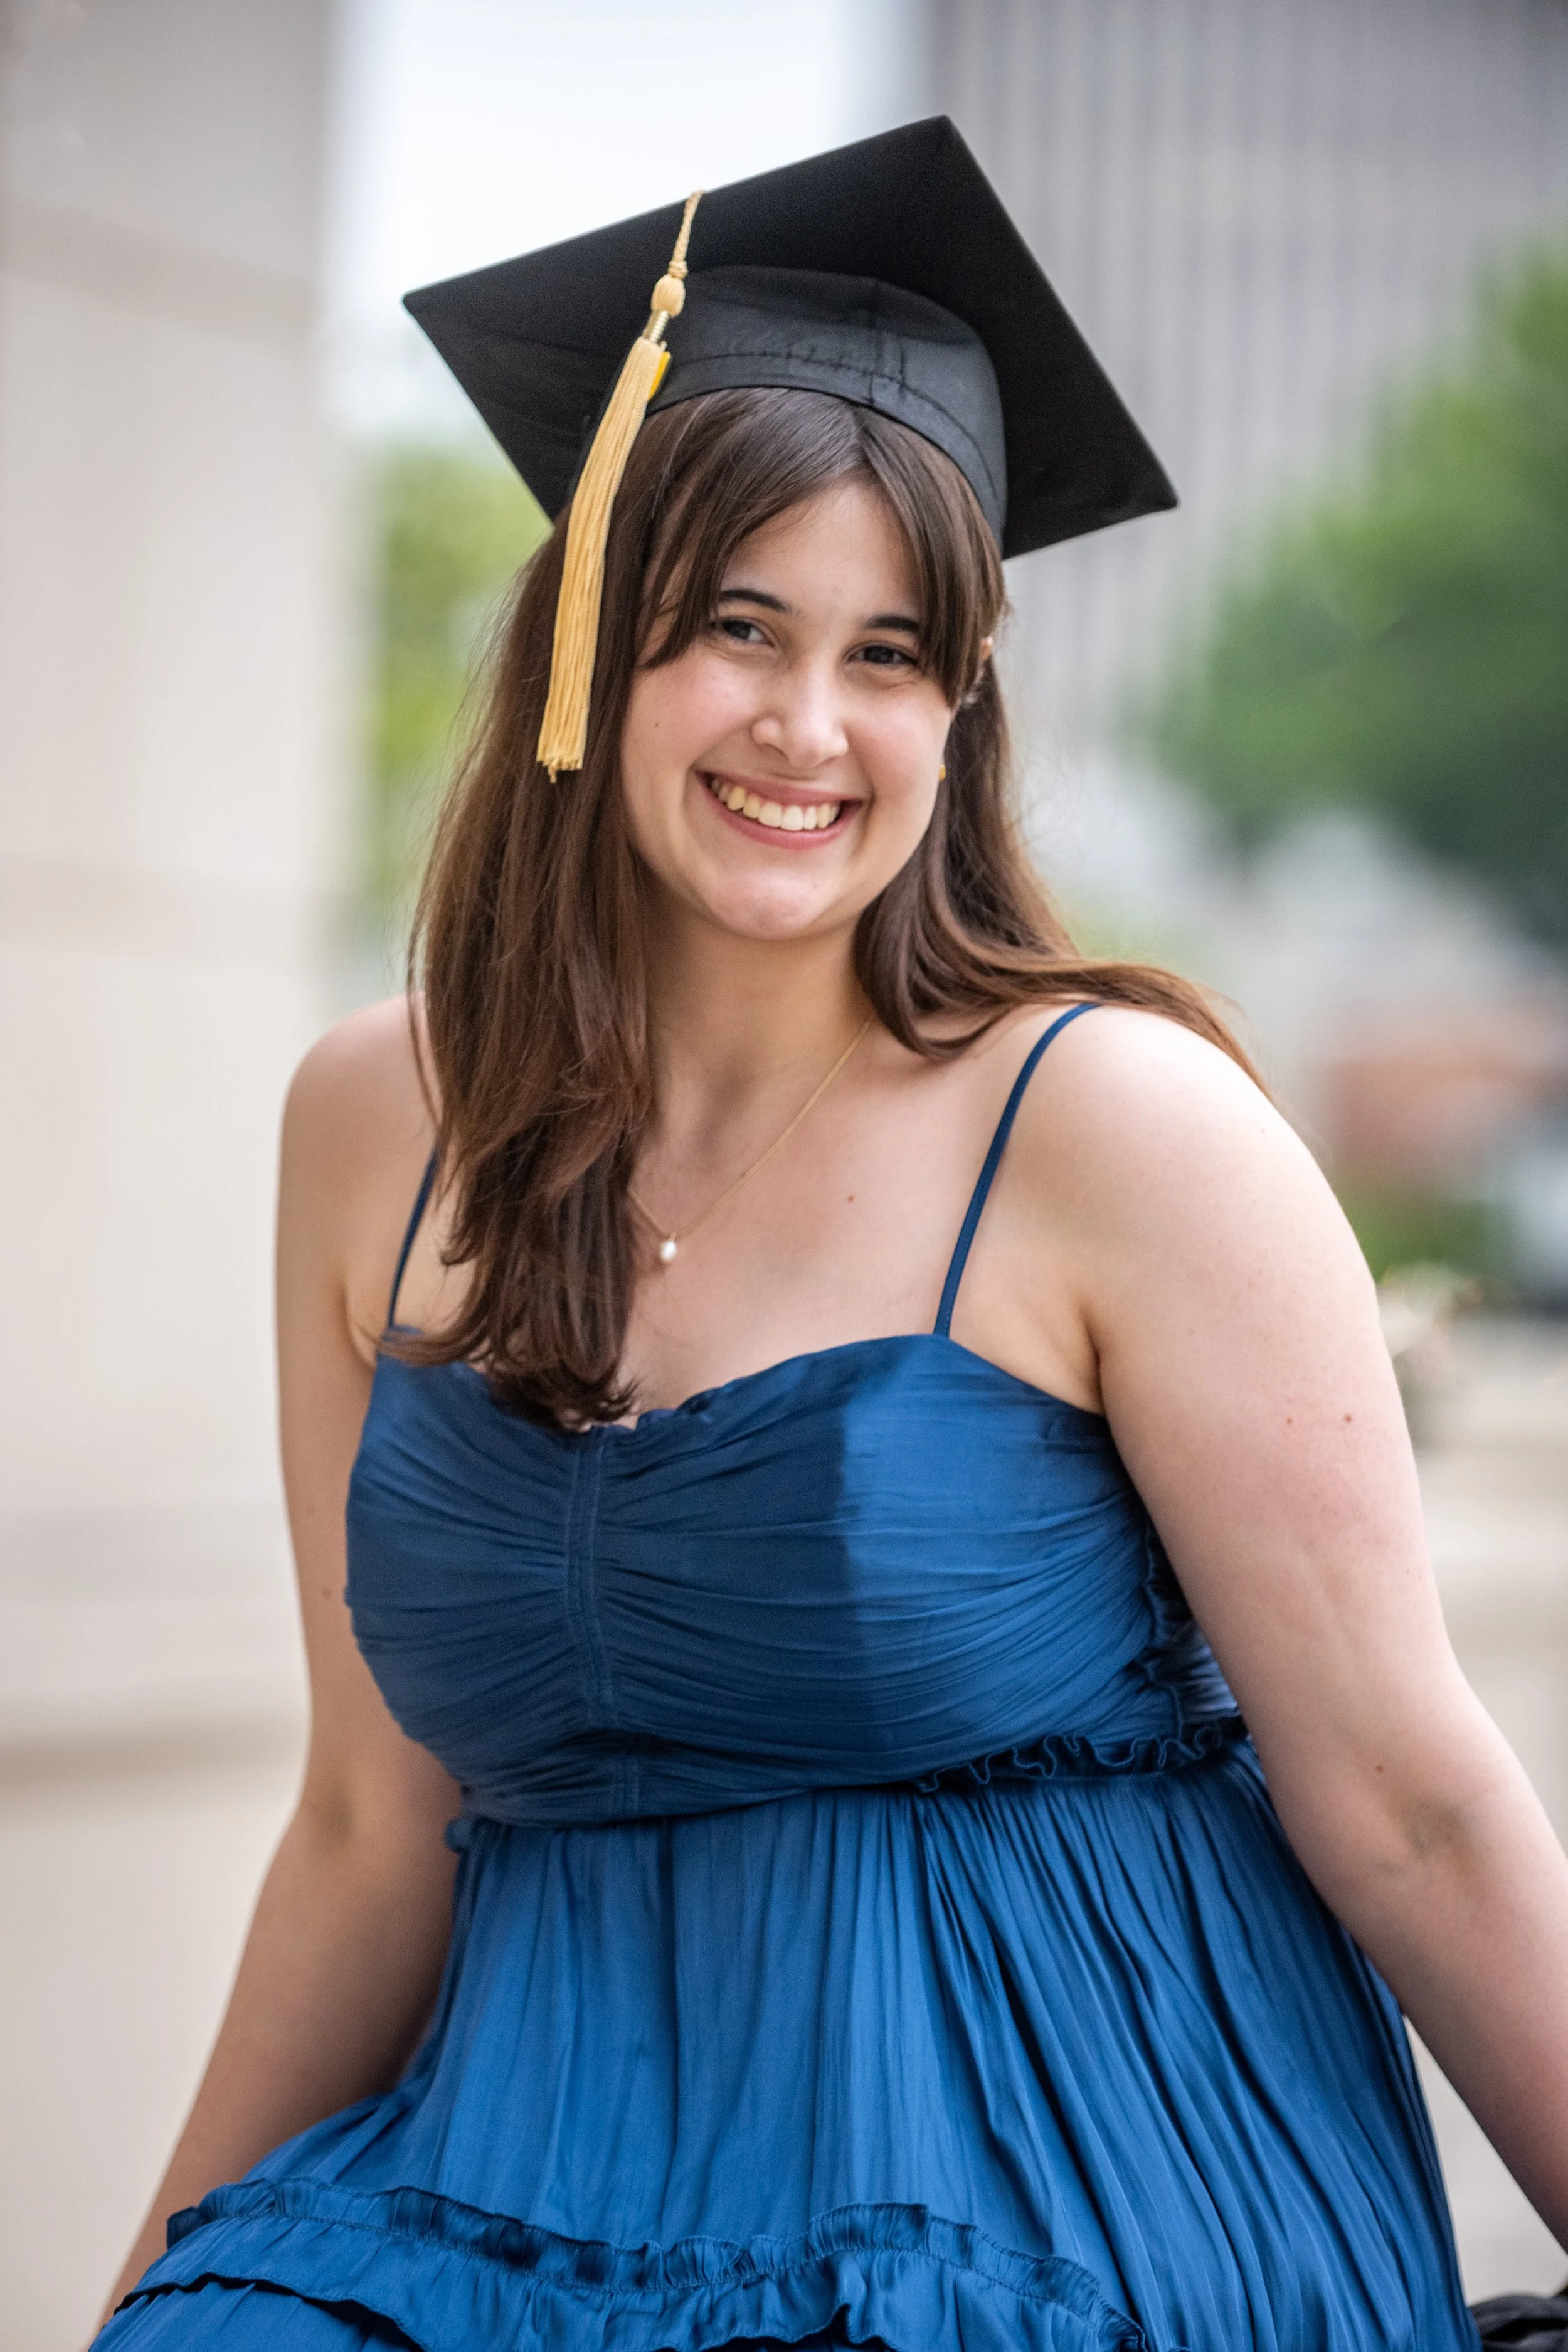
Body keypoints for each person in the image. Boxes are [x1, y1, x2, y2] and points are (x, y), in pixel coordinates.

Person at [95, 119, 1568, 2352]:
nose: (809, 726)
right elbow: (365, 1832)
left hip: (1041, 2177)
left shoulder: (1116, 1127)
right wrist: (152, 2285)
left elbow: (1414, 1803)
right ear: (590, 648)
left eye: (892, 652)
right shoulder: (371, 1123)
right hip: (518, 2181)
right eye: (735, 629)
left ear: (962, 701)